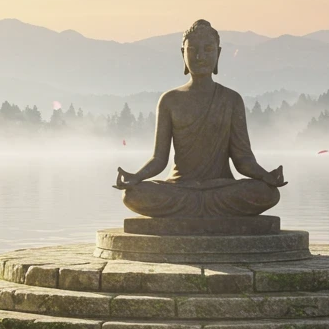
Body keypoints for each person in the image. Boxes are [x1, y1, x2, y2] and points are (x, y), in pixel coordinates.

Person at [114, 18, 286, 218]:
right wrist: (136, 177)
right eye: (193, 49)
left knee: (267, 193)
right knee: (133, 195)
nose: (200, 56)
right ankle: (204, 211)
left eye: (208, 49)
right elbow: (159, 159)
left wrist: (266, 176)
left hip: (221, 187)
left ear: (218, 54)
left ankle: (194, 212)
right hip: (179, 188)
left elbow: (243, 158)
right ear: (182, 54)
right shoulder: (170, 100)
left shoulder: (231, 100)